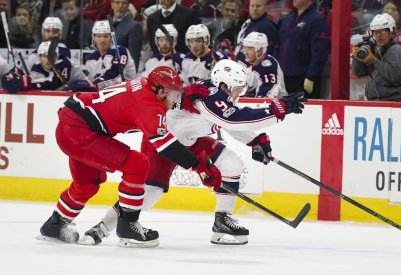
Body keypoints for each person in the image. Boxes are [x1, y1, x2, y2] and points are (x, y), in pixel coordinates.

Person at [78, 59, 307, 246]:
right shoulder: (207, 96)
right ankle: (102, 228)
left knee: (231, 165)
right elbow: (233, 120)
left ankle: (222, 222)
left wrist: (256, 141)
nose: (239, 94)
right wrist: (278, 108)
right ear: (224, 85)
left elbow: (230, 120)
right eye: (237, 89)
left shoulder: (218, 95)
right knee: (149, 194)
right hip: (164, 143)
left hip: (190, 140)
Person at [37, 66, 222, 248]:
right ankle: (128, 226)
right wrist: (199, 165)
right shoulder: (150, 105)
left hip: (71, 125)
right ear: (159, 90)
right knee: (137, 164)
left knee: (87, 184)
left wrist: (184, 94)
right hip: (80, 131)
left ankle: (55, 225)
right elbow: (165, 146)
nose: (174, 100)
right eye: (172, 94)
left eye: (176, 93)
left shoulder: (144, 83)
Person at [276, 0, 329, 99]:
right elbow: (278, 46)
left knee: (303, 113)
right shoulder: (287, 19)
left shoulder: (317, 20)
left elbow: (320, 52)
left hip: (303, 80)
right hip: (283, 79)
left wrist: (311, 77)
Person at [352, 13, 401, 101]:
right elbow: (359, 72)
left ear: (391, 32)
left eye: (382, 31)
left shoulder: (396, 50)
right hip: (378, 103)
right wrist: (357, 58)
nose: (379, 35)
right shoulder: (379, 51)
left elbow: (395, 77)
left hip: (390, 103)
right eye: (376, 31)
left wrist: (374, 61)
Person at [85, 20, 137, 90]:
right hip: (101, 95)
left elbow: (115, 76)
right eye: (99, 36)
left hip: (125, 93)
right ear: (94, 38)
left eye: (106, 36)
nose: (102, 40)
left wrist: (94, 85)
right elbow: (90, 81)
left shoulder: (120, 51)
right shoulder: (91, 58)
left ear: (111, 38)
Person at [237, 32, 287, 98]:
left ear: (260, 51)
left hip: (273, 105)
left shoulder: (269, 67)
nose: (245, 52)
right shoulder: (242, 57)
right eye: (244, 47)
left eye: (249, 48)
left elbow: (265, 100)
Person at [111, 0, 144, 71]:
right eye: (117, 2)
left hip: (122, 73)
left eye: (123, 3)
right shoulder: (105, 23)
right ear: (112, 5)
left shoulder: (134, 26)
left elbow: (134, 57)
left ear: (128, 6)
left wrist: (130, 79)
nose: (120, 6)